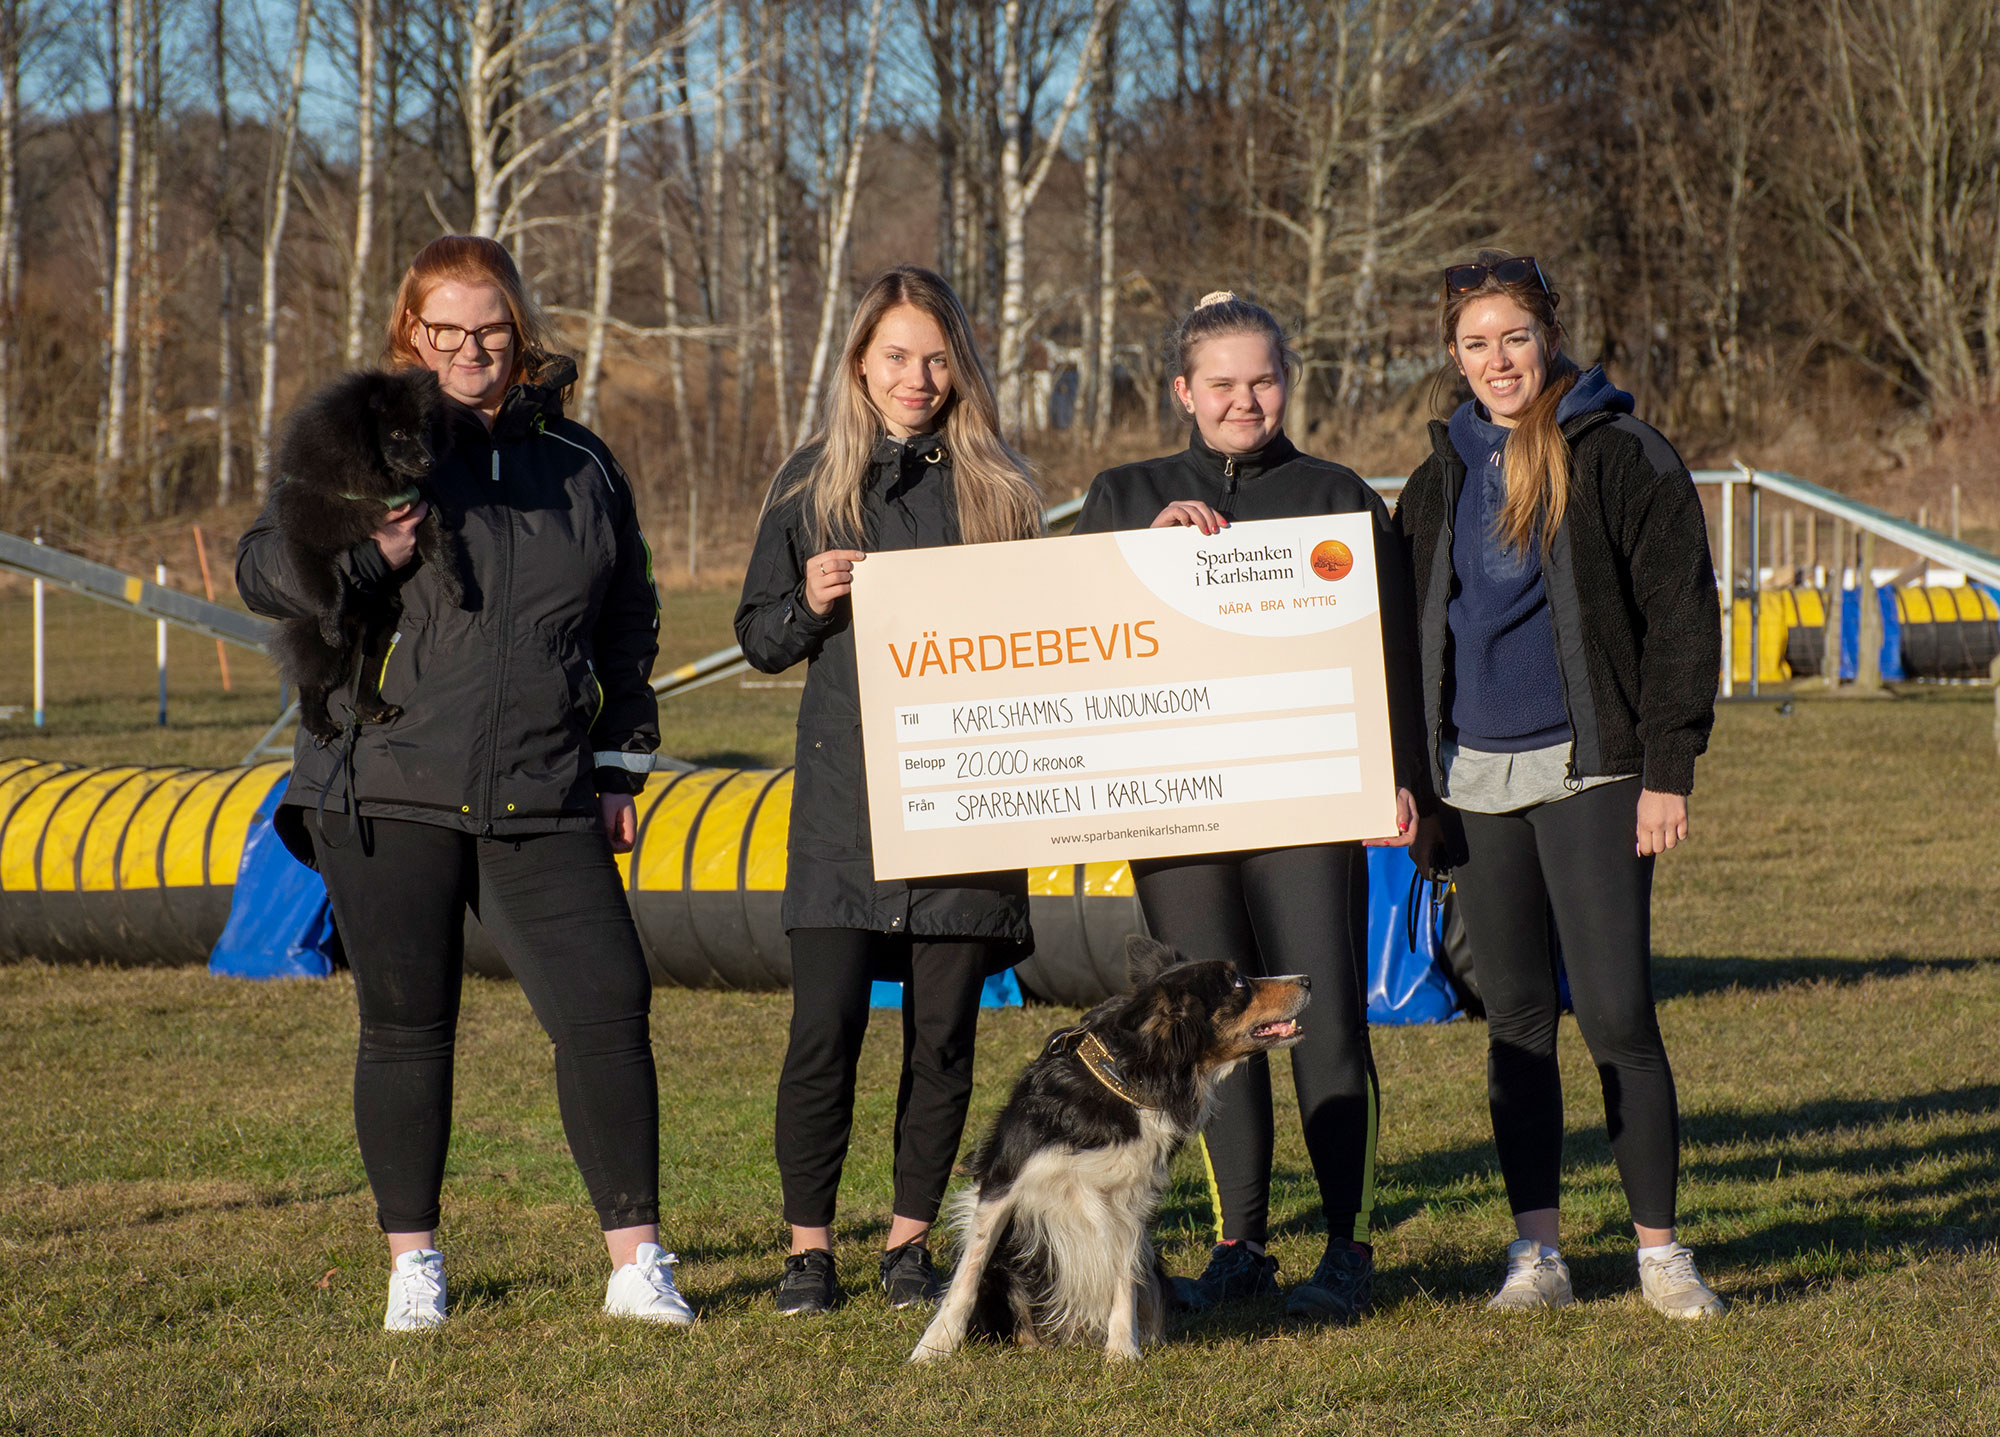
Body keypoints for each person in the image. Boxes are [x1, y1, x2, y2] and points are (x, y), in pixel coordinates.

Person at [236, 235, 691, 1332]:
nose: (473, 351)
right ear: (412, 337)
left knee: (606, 1006)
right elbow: (264, 569)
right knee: (405, 1025)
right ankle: (414, 1268)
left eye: (491, 330)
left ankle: (636, 1266)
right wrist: (366, 562)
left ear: (517, 331)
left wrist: (620, 759)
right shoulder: (365, 443)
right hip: (385, 780)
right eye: (448, 332)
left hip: (543, 784)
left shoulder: (582, 463)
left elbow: (628, 618)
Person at [1071, 291, 1426, 1325]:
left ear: (1286, 383)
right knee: (1207, 1034)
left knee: (1316, 1018)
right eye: (1219, 384)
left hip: (1305, 804)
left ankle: (1347, 1246)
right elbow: (1075, 629)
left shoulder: (1336, 496)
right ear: (1182, 391)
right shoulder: (1122, 494)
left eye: (1260, 381)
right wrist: (1145, 548)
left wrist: (1399, 772)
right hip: (1180, 812)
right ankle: (1239, 1246)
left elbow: (1389, 652)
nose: (1241, 400)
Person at [1398, 251, 1725, 1319]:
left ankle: (1658, 1255)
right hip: (1473, 781)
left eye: (1514, 338)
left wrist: (1665, 770)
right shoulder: (1435, 473)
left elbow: (1679, 616)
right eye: (1474, 344)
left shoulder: (1620, 452)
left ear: (1547, 338)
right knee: (1515, 1021)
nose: (1497, 361)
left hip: (1595, 771)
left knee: (1619, 1016)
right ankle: (1534, 1254)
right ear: (1451, 357)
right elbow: (1406, 640)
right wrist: (1420, 788)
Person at [735, 265, 1042, 1317]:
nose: (918, 377)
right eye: (897, 356)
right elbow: (757, 636)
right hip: (844, 810)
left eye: (937, 356)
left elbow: (1056, 637)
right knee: (821, 1035)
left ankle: (909, 1245)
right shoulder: (810, 481)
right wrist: (811, 605)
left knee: (943, 1037)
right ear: (859, 362)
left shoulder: (1002, 488)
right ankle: (806, 1252)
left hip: (968, 806)